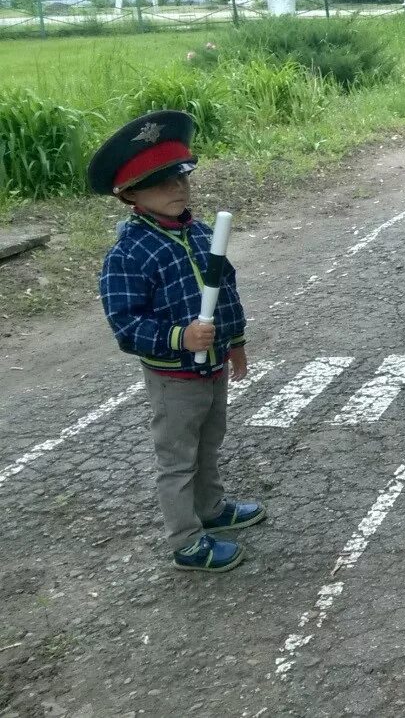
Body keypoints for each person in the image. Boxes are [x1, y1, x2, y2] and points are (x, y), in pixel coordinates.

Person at [92, 110, 264, 573]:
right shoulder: (128, 254)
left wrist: (236, 340)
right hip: (174, 378)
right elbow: (126, 326)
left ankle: (211, 508)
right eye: (160, 181)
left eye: (181, 176)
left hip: (212, 367)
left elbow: (225, 290)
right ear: (129, 194)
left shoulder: (200, 231)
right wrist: (180, 336)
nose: (178, 189)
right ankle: (185, 539)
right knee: (177, 456)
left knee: (209, 441)